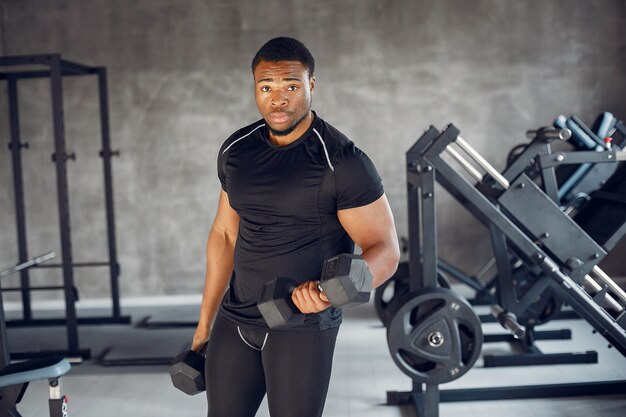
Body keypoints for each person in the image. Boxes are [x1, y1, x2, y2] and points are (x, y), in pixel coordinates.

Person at [191, 37, 400, 417]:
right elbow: (225, 235)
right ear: (255, 87)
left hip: (302, 325)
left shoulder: (342, 161)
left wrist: (326, 294)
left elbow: (385, 250)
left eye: (291, 86)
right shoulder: (236, 151)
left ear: (311, 86)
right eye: (266, 87)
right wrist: (205, 323)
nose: (278, 99)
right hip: (237, 316)